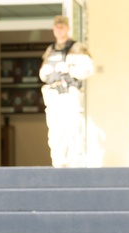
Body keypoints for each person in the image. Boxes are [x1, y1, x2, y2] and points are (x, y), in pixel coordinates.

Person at [38, 15, 93, 168]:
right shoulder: (51, 49)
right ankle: (58, 167)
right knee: (55, 135)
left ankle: (76, 169)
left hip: (69, 96)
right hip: (53, 97)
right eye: (56, 27)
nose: (59, 30)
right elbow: (42, 74)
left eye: (62, 27)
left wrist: (69, 68)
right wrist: (46, 71)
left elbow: (88, 69)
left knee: (73, 132)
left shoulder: (77, 49)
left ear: (68, 28)